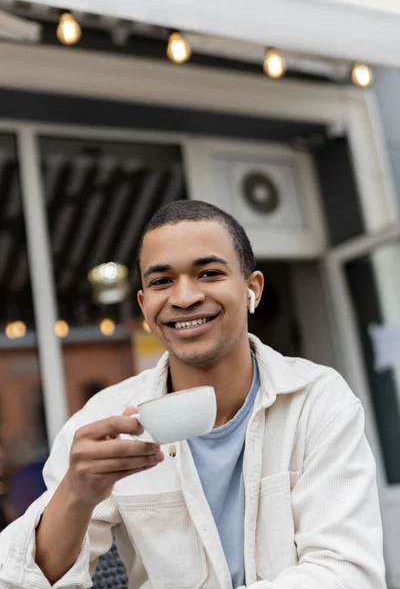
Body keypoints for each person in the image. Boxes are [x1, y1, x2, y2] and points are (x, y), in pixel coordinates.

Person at [0, 200, 385, 589]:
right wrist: (76, 496)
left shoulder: (316, 399)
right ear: (144, 305)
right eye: (161, 281)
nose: (184, 297)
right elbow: (24, 582)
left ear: (252, 289)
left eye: (209, 273)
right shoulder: (108, 417)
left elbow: (348, 572)